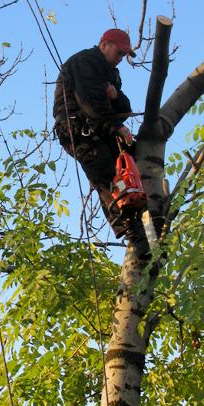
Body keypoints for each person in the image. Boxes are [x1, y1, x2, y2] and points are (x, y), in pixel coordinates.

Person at [53, 28, 145, 244]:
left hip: (101, 128)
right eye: (119, 53)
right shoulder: (84, 62)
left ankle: (143, 211)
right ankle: (129, 227)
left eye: (124, 55)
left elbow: (125, 108)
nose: (121, 59)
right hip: (78, 130)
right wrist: (115, 127)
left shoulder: (111, 72)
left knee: (133, 160)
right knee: (104, 172)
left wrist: (115, 96)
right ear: (104, 44)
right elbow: (90, 103)